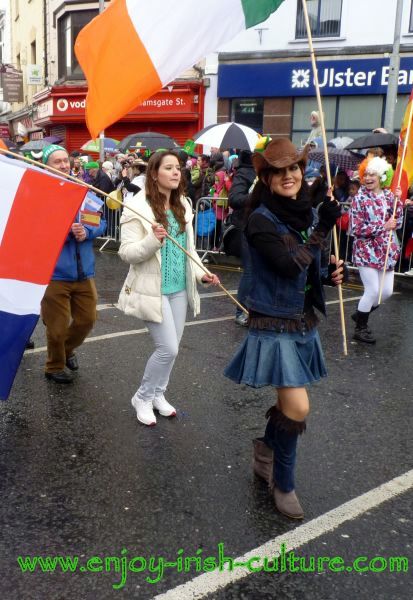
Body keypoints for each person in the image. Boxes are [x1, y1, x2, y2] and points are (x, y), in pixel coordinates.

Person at [224, 138, 343, 519]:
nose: (290, 176)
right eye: (280, 171)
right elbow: (289, 264)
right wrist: (324, 227)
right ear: (266, 177)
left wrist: (329, 274)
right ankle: (284, 483)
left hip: (302, 321)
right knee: (298, 406)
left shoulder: (303, 212)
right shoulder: (260, 219)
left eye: (294, 169)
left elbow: (308, 268)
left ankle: (265, 453)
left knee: (288, 406)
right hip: (274, 324)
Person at [118, 150, 220, 426]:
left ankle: (158, 395)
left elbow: (189, 252)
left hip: (179, 289)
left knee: (173, 347)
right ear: (154, 173)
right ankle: (142, 396)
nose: (177, 172)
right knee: (168, 349)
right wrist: (152, 240)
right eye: (169, 168)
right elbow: (126, 253)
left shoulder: (183, 204)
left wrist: (203, 274)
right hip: (153, 290)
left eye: (179, 168)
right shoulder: (136, 207)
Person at [40, 145, 107, 383]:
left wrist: (86, 232)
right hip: (54, 274)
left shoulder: (83, 192)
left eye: (65, 161)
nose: (64, 165)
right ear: (47, 165)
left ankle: (66, 351)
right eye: (57, 161)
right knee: (56, 328)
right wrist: (68, 231)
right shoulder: (40, 194)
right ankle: (53, 366)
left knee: (87, 320)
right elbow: (37, 229)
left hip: (84, 272)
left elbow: (100, 223)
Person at [350, 157, 403, 343]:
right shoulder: (359, 199)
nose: (369, 177)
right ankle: (360, 328)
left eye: (373, 174)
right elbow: (356, 229)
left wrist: (399, 201)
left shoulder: (389, 197)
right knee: (372, 290)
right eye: (366, 173)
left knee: (386, 292)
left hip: (386, 251)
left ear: (382, 176)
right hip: (366, 251)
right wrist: (383, 227)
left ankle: (360, 313)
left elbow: (398, 222)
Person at [228, 149, 256, 326]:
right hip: (248, 227)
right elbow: (234, 199)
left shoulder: (268, 173)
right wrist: (257, 195)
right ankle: (242, 311)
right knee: (251, 271)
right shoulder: (244, 173)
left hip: (265, 226)